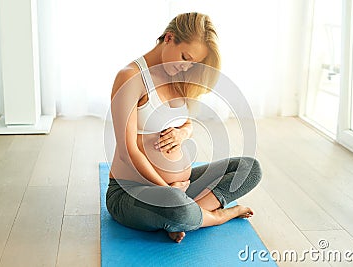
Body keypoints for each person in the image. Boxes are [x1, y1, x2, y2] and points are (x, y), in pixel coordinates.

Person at [106, 12, 262, 243]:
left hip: (178, 190)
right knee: (177, 207)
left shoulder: (176, 76)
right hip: (132, 191)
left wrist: (182, 132)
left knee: (250, 169)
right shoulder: (131, 78)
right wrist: (170, 192)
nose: (185, 66)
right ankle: (213, 217)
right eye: (185, 56)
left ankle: (181, 218)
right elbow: (127, 151)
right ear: (169, 38)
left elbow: (185, 123)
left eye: (193, 63)